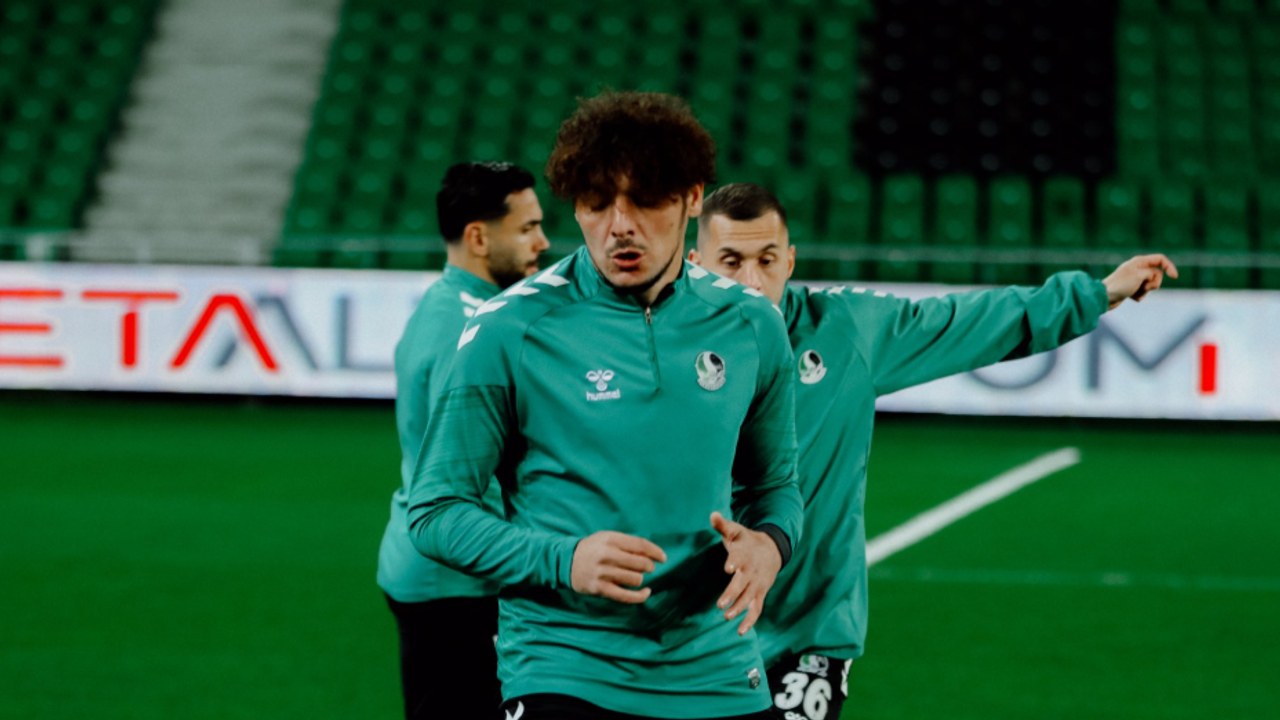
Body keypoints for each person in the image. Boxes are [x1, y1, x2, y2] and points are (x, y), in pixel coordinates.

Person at [688, 182, 1178, 720]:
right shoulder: (657, 347)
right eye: (730, 262)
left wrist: (1096, 293)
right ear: (695, 264)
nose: (752, 281)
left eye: (767, 260)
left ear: (790, 261)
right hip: (690, 634)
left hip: (804, 637)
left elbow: (967, 319)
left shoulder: (845, 331)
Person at [407, 92, 804, 720]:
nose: (620, 224)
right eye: (596, 203)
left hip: (717, 668)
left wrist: (771, 545)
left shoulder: (752, 324)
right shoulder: (509, 329)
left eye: (644, 200)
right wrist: (562, 559)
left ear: (692, 198)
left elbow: (776, 485)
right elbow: (435, 510)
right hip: (565, 665)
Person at [377, 161, 549, 720]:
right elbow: (469, 478)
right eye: (527, 228)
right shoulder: (468, 331)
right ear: (478, 237)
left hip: (438, 571)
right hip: (455, 583)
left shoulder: (451, 307)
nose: (543, 242)